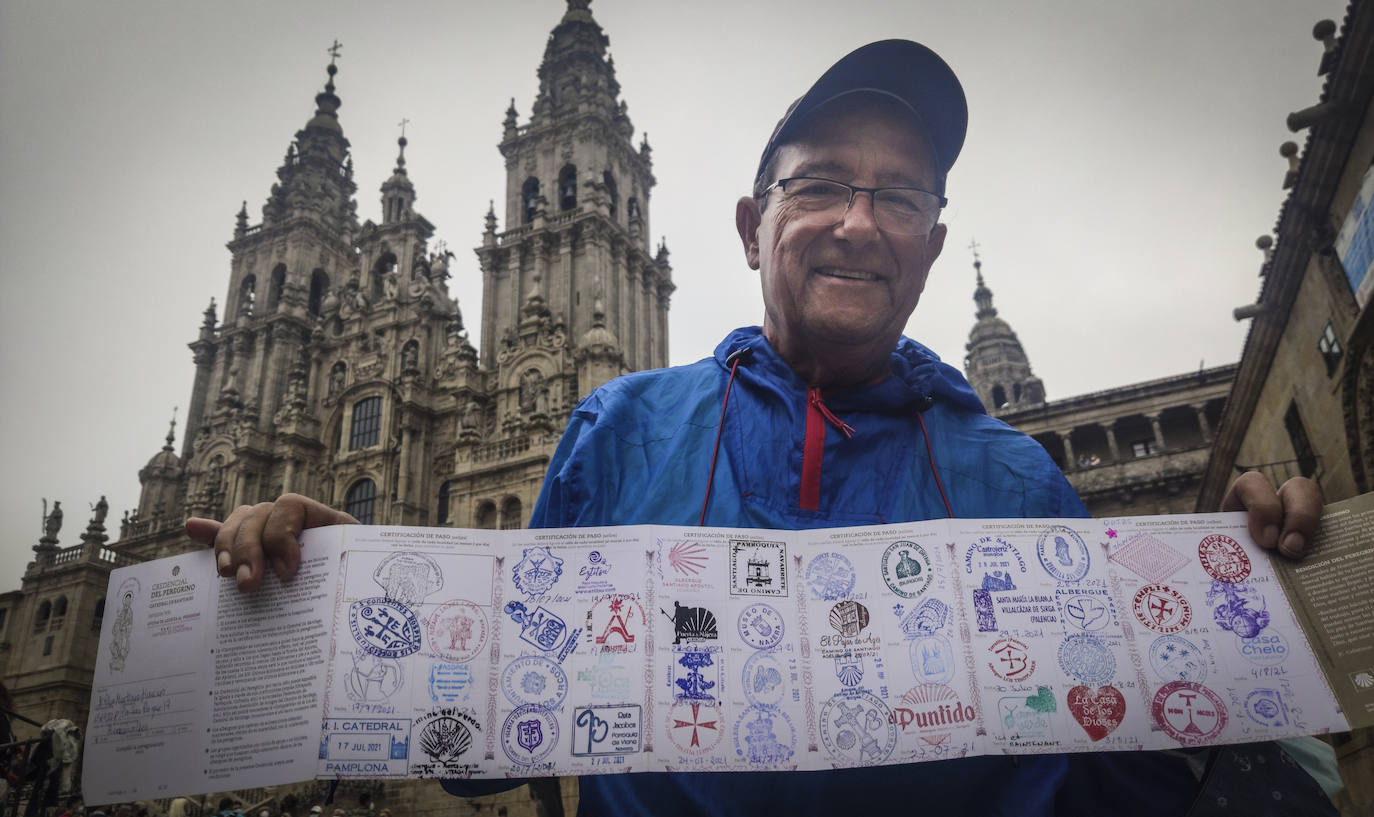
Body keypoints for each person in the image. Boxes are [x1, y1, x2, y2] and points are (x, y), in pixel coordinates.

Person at [190, 40, 1331, 817]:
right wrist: (356, 587)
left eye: (900, 196)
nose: (857, 221)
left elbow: (1124, 774)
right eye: (822, 184)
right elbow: (487, 726)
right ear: (752, 226)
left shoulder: (1020, 483)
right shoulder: (621, 430)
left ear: (932, 243)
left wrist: (1249, 623)